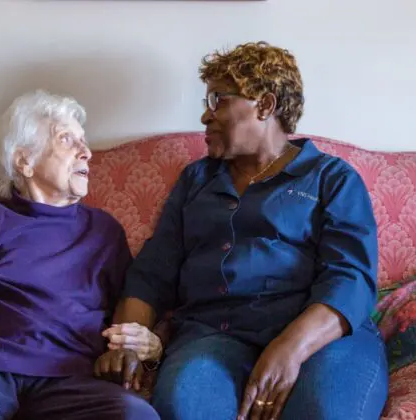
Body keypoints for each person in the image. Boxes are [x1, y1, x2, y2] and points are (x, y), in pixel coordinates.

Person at [95, 41, 389, 420]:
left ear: (264, 105)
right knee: (183, 406)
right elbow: (152, 273)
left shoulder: (331, 178)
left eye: (218, 99)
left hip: (317, 339)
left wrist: (288, 349)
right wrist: (128, 343)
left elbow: (351, 277)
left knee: (325, 413)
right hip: (213, 336)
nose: (205, 115)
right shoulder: (197, 180)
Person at [0, 90, 159, 420]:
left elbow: (130, 307)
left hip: (71, 380)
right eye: (68, 140)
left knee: (136, 417)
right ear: (24, 160)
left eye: (84, 142)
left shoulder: (104, 231)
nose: (86, 153)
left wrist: (149, 344)